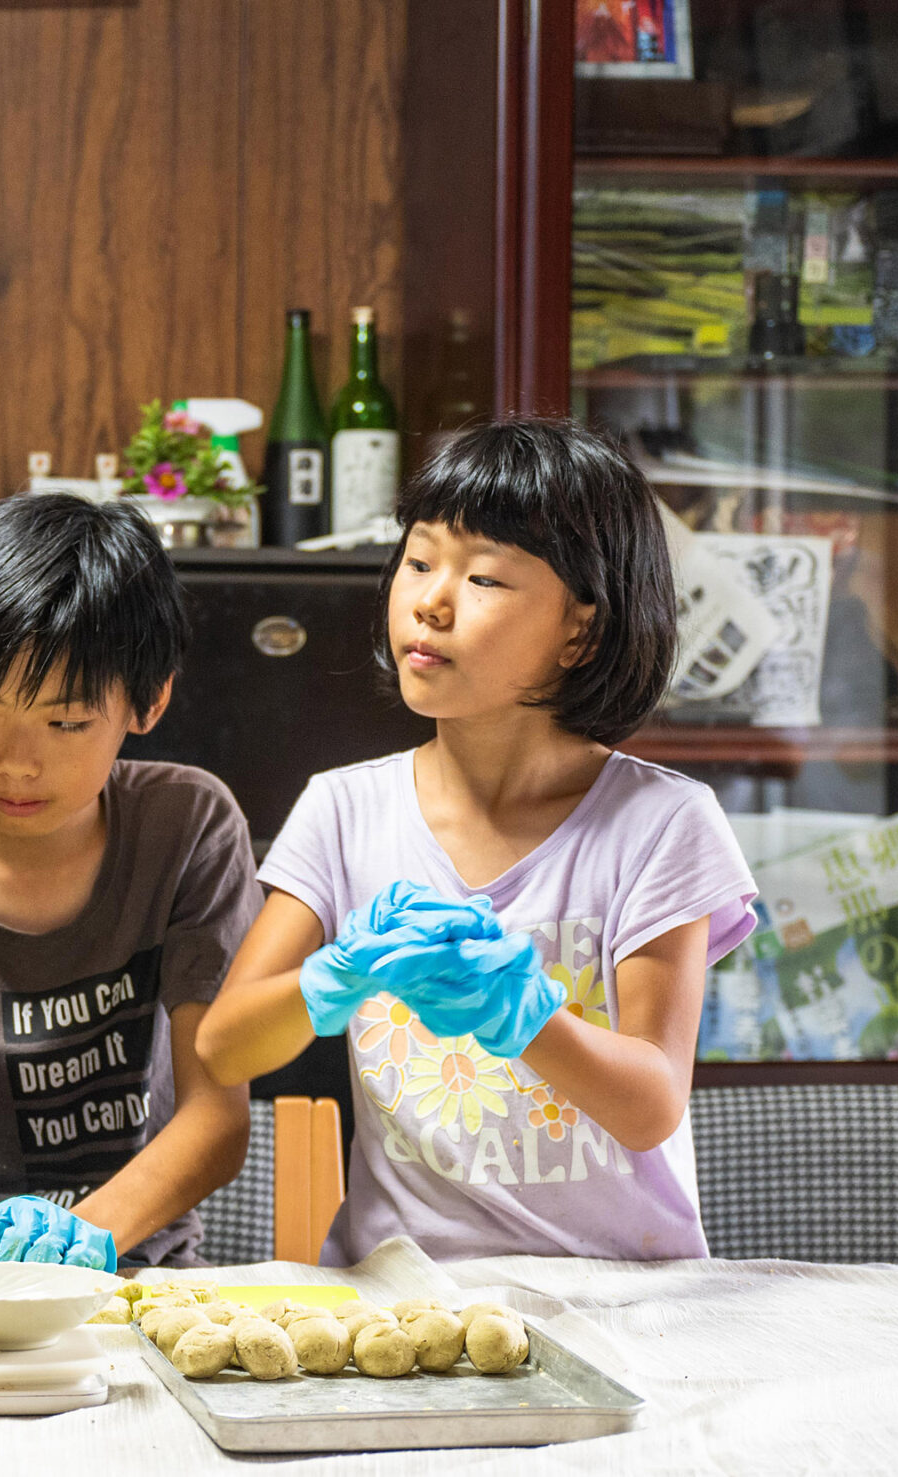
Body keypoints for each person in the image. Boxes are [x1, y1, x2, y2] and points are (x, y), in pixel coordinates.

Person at [196, 419, 757, 1263]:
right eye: (419, 561)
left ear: (582, 629)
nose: (430, 599)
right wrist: (336, 973)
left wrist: (526, 1014)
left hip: (627, 1294)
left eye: (485, 576)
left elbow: (651, 1103)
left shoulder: (662, 824)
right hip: (403, 1295)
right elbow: (224, 1044)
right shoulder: (343, 810)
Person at [0, 495, 256, 1304]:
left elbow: (217, 1118)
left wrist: (76, 1244)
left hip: (128, 1271)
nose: (16, 763)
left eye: (65, 723)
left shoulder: (187, 826)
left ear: (149, 701)